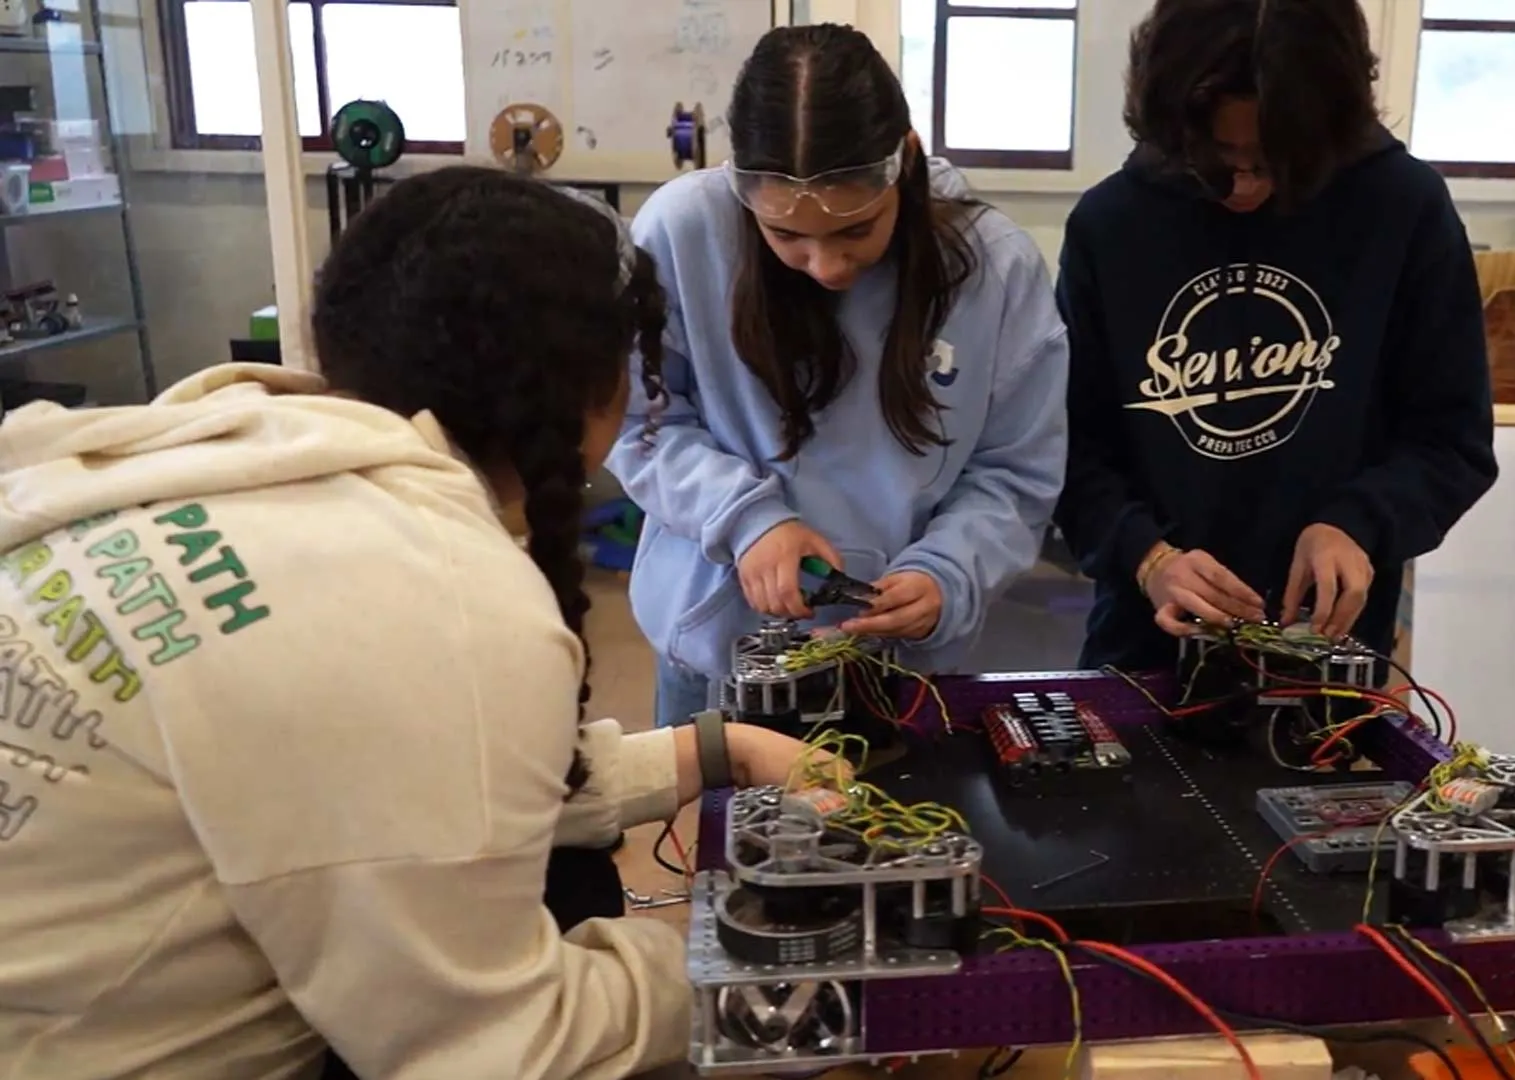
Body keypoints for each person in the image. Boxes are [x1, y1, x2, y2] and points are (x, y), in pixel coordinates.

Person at [0, 167, 827, 1079]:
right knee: (584, 907)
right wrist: (759, 964)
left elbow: (386, 777)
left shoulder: (212, 443)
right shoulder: (439, 595)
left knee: (571, 869)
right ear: (594, 394)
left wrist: (715, 750)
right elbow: (500, 1049)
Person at [610, 23, 1068, 725]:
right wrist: (747, 522)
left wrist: (948, 572)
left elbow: (1015, 472)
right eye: (785, 235)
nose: (825, 267)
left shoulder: (994, 267)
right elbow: (641, 420)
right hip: (720, 652)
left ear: (904, 164)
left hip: (904, 666)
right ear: (743, 189)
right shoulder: (680, 233)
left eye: (856, 229)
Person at [1052, 0, 1498, 671]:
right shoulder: (1112, 225)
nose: (1244, 188)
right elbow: (1067, 448)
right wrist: (1147, 557)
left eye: (1272, 162)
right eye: (1218, 158)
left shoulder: (1403, 209)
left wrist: (1356, 524)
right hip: (1144, 652)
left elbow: (1452, 441)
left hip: (1324, 657)